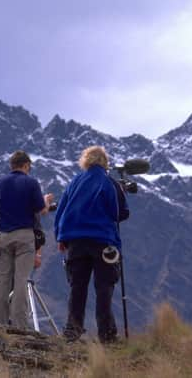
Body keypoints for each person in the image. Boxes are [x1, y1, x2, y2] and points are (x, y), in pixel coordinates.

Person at [54, 145, 129, 344]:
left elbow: (61, 211)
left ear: (85, 161)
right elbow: (117, 213)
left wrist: (60, 237)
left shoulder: (74, 182)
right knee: (104, 287)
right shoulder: (108, 182)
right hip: (102, 241)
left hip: (75, 242)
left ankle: (72, 329)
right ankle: (106, 334)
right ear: (105, 163)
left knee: (77, 286)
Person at [0, 150, 53, 329]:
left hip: (3, 236)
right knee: (20, 281)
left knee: (1, 282)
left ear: (11, 165)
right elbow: (41, 210)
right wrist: (46, 201)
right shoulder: (31, 183)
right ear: (26, 165)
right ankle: (19, 326)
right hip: (25, 236)